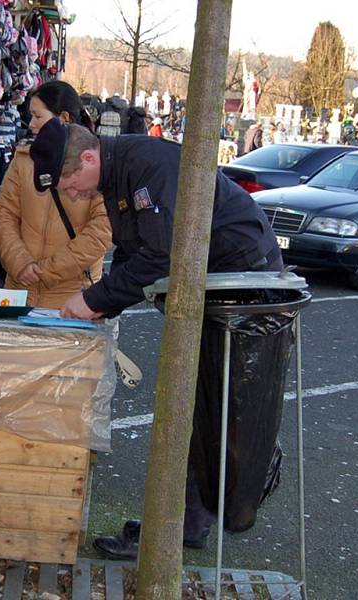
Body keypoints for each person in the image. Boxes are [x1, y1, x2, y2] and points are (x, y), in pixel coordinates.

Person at [29, 119, 283, 557]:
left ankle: (187, 520)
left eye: (69, 183)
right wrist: (102, 304)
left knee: (216, 409)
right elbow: (132, 250)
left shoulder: (146, 166)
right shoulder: (118, 170)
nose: (70, 194)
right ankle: (185, 522)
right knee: (197, 406)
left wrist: (93, 299)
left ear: (89, 159)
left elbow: (159, 255)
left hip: (243, 291)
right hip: (219, 286)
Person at [0, 80, 112, 308]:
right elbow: (4, 213)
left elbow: (101, 231)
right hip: (19, 290)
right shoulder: (24, 158)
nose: (32, 124)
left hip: (73, 296)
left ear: (63, 118)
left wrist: (46, 271)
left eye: (38, 116)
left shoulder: (95, 164)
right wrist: (20, 263)